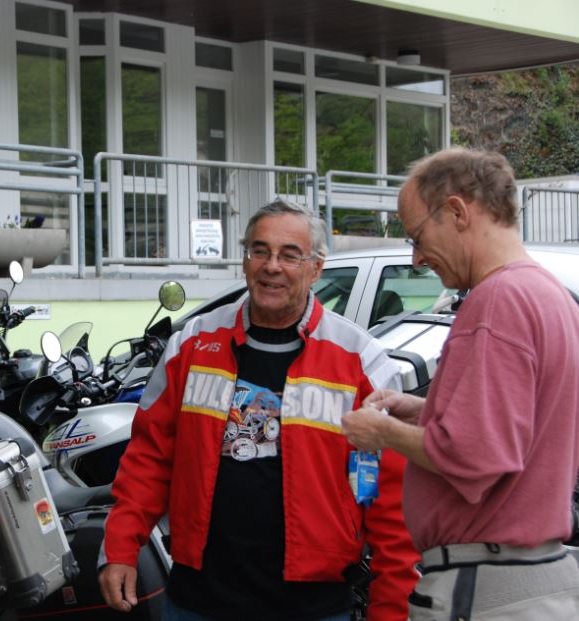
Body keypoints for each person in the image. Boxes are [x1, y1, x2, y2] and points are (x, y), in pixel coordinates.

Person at [99, 199, 420, 621]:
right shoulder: (192, 345)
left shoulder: (362, 362)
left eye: (290, 255)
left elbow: (387, 499)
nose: (272, 266)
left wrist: (391, 609)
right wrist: (121, 546)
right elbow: (149, 458)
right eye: (260, 251)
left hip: (314, 609)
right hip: (197, 601)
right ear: (245, 259)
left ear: (316, 268)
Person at [342, 147, 579, 620]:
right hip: (530, 578)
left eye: (417, 236)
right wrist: (424, 411)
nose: (416, 257)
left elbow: (476, 457)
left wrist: (383, 432)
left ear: (456, 212)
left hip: (484, 585)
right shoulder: (551, 297)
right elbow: (522, 431)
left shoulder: (496, 301)